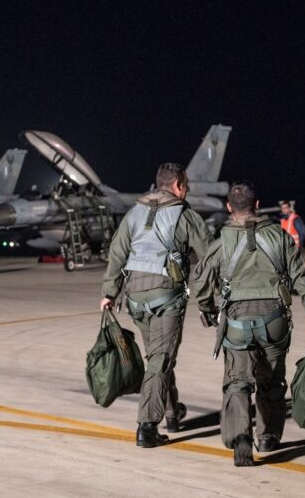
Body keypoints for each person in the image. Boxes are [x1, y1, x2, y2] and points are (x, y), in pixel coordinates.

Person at [192, 181, 305, 467]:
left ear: (229, 208)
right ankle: (268, 437)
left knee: (238, 383)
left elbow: (201, 281)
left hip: (237, 322)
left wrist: (207, 308)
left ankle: (241, 438)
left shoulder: (221, 242)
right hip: (274, 319)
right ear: (257, 205)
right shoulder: (280, 237)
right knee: (272, 381)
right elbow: (300, 275)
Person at [100, 162, 212, 448]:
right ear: (177, 185)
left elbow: (117, 250)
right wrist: (207, 300)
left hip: (135, 297)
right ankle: (147, 425)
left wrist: (109, 292)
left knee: (158, 357)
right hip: (166, 297)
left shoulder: (134, 212)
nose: (186, 192)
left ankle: (173, 412)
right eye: (185, 186)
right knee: (161, 359)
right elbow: (209, 259)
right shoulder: (184, 214)